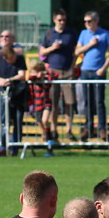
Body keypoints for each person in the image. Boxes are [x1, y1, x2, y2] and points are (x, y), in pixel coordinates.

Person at [0, 30, 28, 155]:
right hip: (3, 94)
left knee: (18, 119)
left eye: (7, 36)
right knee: (4, 120)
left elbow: (22, 74)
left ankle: (15, 147)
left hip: (18, 93)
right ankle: (3, 146)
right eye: (2, 36)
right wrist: (1, 80)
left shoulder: (19, 56)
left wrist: (10, 80)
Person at [38, 9, 77, 142]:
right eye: (60, 20)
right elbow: (42, 51)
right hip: (53, 72)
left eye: (64, 20)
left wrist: (73, 66)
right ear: (54, 20)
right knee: (53, 103)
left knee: (69, 102)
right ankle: (54, 130)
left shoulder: (71, 33)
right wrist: (52, 48)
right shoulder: (49, 33)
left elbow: (76, 51)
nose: (62, 22)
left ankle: (69, 130)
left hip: (67, 71)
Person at [75, 11, 109, 141]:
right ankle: (88, 127)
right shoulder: (83, 34)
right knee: (87, 101)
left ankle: (102, 128)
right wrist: (90, 45)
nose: (87, 24)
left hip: (98, 71)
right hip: (86, 70)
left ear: (96, 21)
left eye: (89, 21)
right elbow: (77, 51)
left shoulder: (105, 34)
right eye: (85, 21)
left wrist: (103, 69)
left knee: (99, 101)